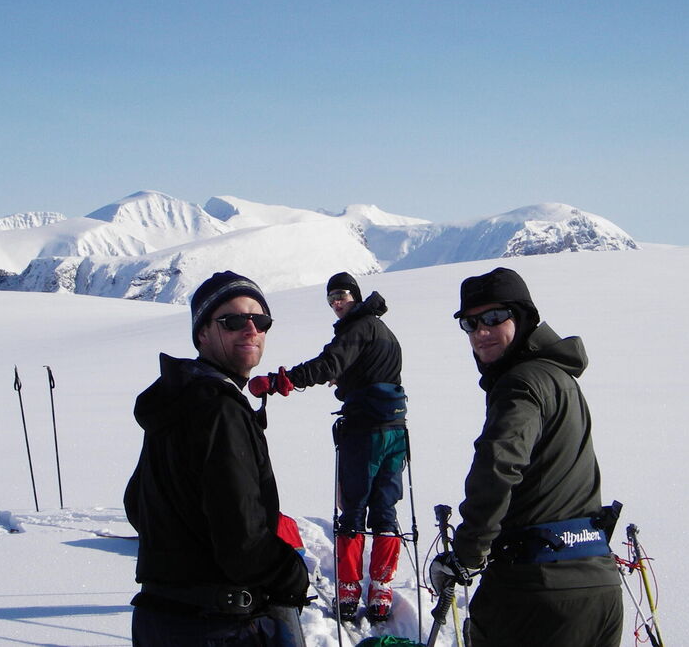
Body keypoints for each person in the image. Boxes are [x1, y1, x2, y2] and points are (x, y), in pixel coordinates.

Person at [433, 267, 623, 647]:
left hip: (536, 594)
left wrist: (467, 554)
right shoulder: (560, 378)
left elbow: (499, 464)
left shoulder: (520, 384)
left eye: (493, 317)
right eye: (470, 323)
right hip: (598, 586)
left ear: (521, 317)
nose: (481, 332)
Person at [124, 271, 310, 646]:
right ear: (203, 334)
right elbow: (243, 542)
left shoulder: (178, 399)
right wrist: (292, 574)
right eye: (233, 321)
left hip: (159, 618)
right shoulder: (219, 410)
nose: (251, 329)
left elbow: (135, 504)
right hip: (218, 626)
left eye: (261, 320)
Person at [250, 272, 408, 623]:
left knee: (353, 507)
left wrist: (280, 381)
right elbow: (372, 372)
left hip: (364, 430)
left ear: (355, 296)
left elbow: (328, 364)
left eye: (341, 295)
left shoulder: (358, 328)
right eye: (331, 298)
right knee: (385, 508)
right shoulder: (382, 330)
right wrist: (347, 380)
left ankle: (349, 589)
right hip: (396, 429)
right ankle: (381, 589)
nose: (336, 303)